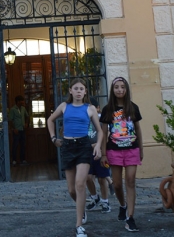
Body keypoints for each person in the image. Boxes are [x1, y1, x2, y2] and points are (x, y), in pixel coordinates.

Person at [48, 78, 103, 237]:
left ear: (85, 92)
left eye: (81, 89)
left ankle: (79, 225)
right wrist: (53, 138)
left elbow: (100, 131)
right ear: (70, 91)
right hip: (67, 146)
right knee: (72, 190)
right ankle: (82, 208)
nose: (79, 91)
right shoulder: (64, 106)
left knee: (80, 184)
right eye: (76, 88)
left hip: (83, 147)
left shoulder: (90, 108)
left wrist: (98, 146)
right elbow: (50, 120)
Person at [100, 76, 143, 233]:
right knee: (117, 184)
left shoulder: (133, 107)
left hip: (132, 149)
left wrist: (141, 149)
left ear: (126, 89)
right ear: (113, 90)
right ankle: (122, 205)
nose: (120, 90)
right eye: (117, 87)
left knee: (130, 181)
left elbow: (138, 129)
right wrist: (103, 154)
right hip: (114, 150)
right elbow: (104, 133)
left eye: (123, 87)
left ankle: (130, 218)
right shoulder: (107, 109)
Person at [85, 97, 111, 214]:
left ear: (97, 109)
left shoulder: (101, 120)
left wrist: (97, 145)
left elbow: (107, 135)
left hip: (100, 152)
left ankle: (105, 201)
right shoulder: (83, 120)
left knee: (102, 178)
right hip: (86, 153)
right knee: (88, 177)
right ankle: (95, 197)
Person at [8, 95, 29, 166]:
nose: (23, 102)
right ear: (18, 101)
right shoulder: (12, 109)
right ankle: (14, 160)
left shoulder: (23, 108)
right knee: (15, 145)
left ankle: (23, 160)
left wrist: (26, 123)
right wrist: (14, 128)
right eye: (22, 101)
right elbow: (10, 120)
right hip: (16, 130)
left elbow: (27, 116)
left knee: (23, 145)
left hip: (23, 129)